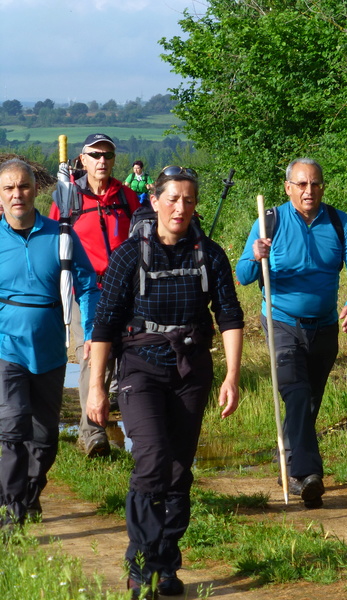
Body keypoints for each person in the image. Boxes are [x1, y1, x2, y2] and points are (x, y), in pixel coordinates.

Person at [86, 166, 244, 598]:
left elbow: (229, 316)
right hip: (141, 368)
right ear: (153, 201)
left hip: (191, 371)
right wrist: (97, 387)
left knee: (178, 470)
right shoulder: (127, 256)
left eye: (189, 200)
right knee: (153, 460)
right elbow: (104, 325)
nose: (181, 207)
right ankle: (140, 563)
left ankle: (165, 561)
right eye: (172, 199)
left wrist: (231, 375)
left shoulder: (209, 255)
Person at [236, 158, 347, 509]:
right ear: (288, 188)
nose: (309, 191)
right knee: (295, 392)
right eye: (302, 185)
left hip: (324, 324)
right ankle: (309, 474)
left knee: (310, 400)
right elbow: (244, 275)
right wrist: (255, 255)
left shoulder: (340, 223)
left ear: (323, 186)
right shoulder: (270, 221)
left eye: (315, 184)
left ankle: (293, 466)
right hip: (281, 320)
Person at [0, 158, 98, 529]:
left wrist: (90, 333)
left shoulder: (61, 236)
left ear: (35, 189)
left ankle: (29, 494)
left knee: (44, 438)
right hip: (6, 348)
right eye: (9, 188)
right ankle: (11, 510)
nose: (17, 195)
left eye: (23, 186)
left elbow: (87, 286)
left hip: (51, 351)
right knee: (13, 429)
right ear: (0, 195)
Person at [49, 133, 141, 458]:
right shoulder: (67, 197)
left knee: (127, 354)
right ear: (82, 159)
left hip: (125, 290)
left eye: (108, 155)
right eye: (96, 154)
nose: (102, 160)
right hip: (82, 290)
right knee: (91, 354)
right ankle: (92, 434)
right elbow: (54, 243)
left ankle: (138, 427)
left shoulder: (128, 198)